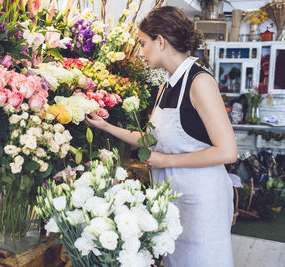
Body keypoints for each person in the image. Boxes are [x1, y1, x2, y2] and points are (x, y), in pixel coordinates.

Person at [85, 6, 237, 267]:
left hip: (203, 203)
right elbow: (149, 140)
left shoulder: (200, 82)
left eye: (143, 44)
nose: (141, 52)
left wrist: (165, 161)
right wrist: (105, 126)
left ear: (161, 41)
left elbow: (227, 152)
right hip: (173, 200)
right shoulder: (167, 84)